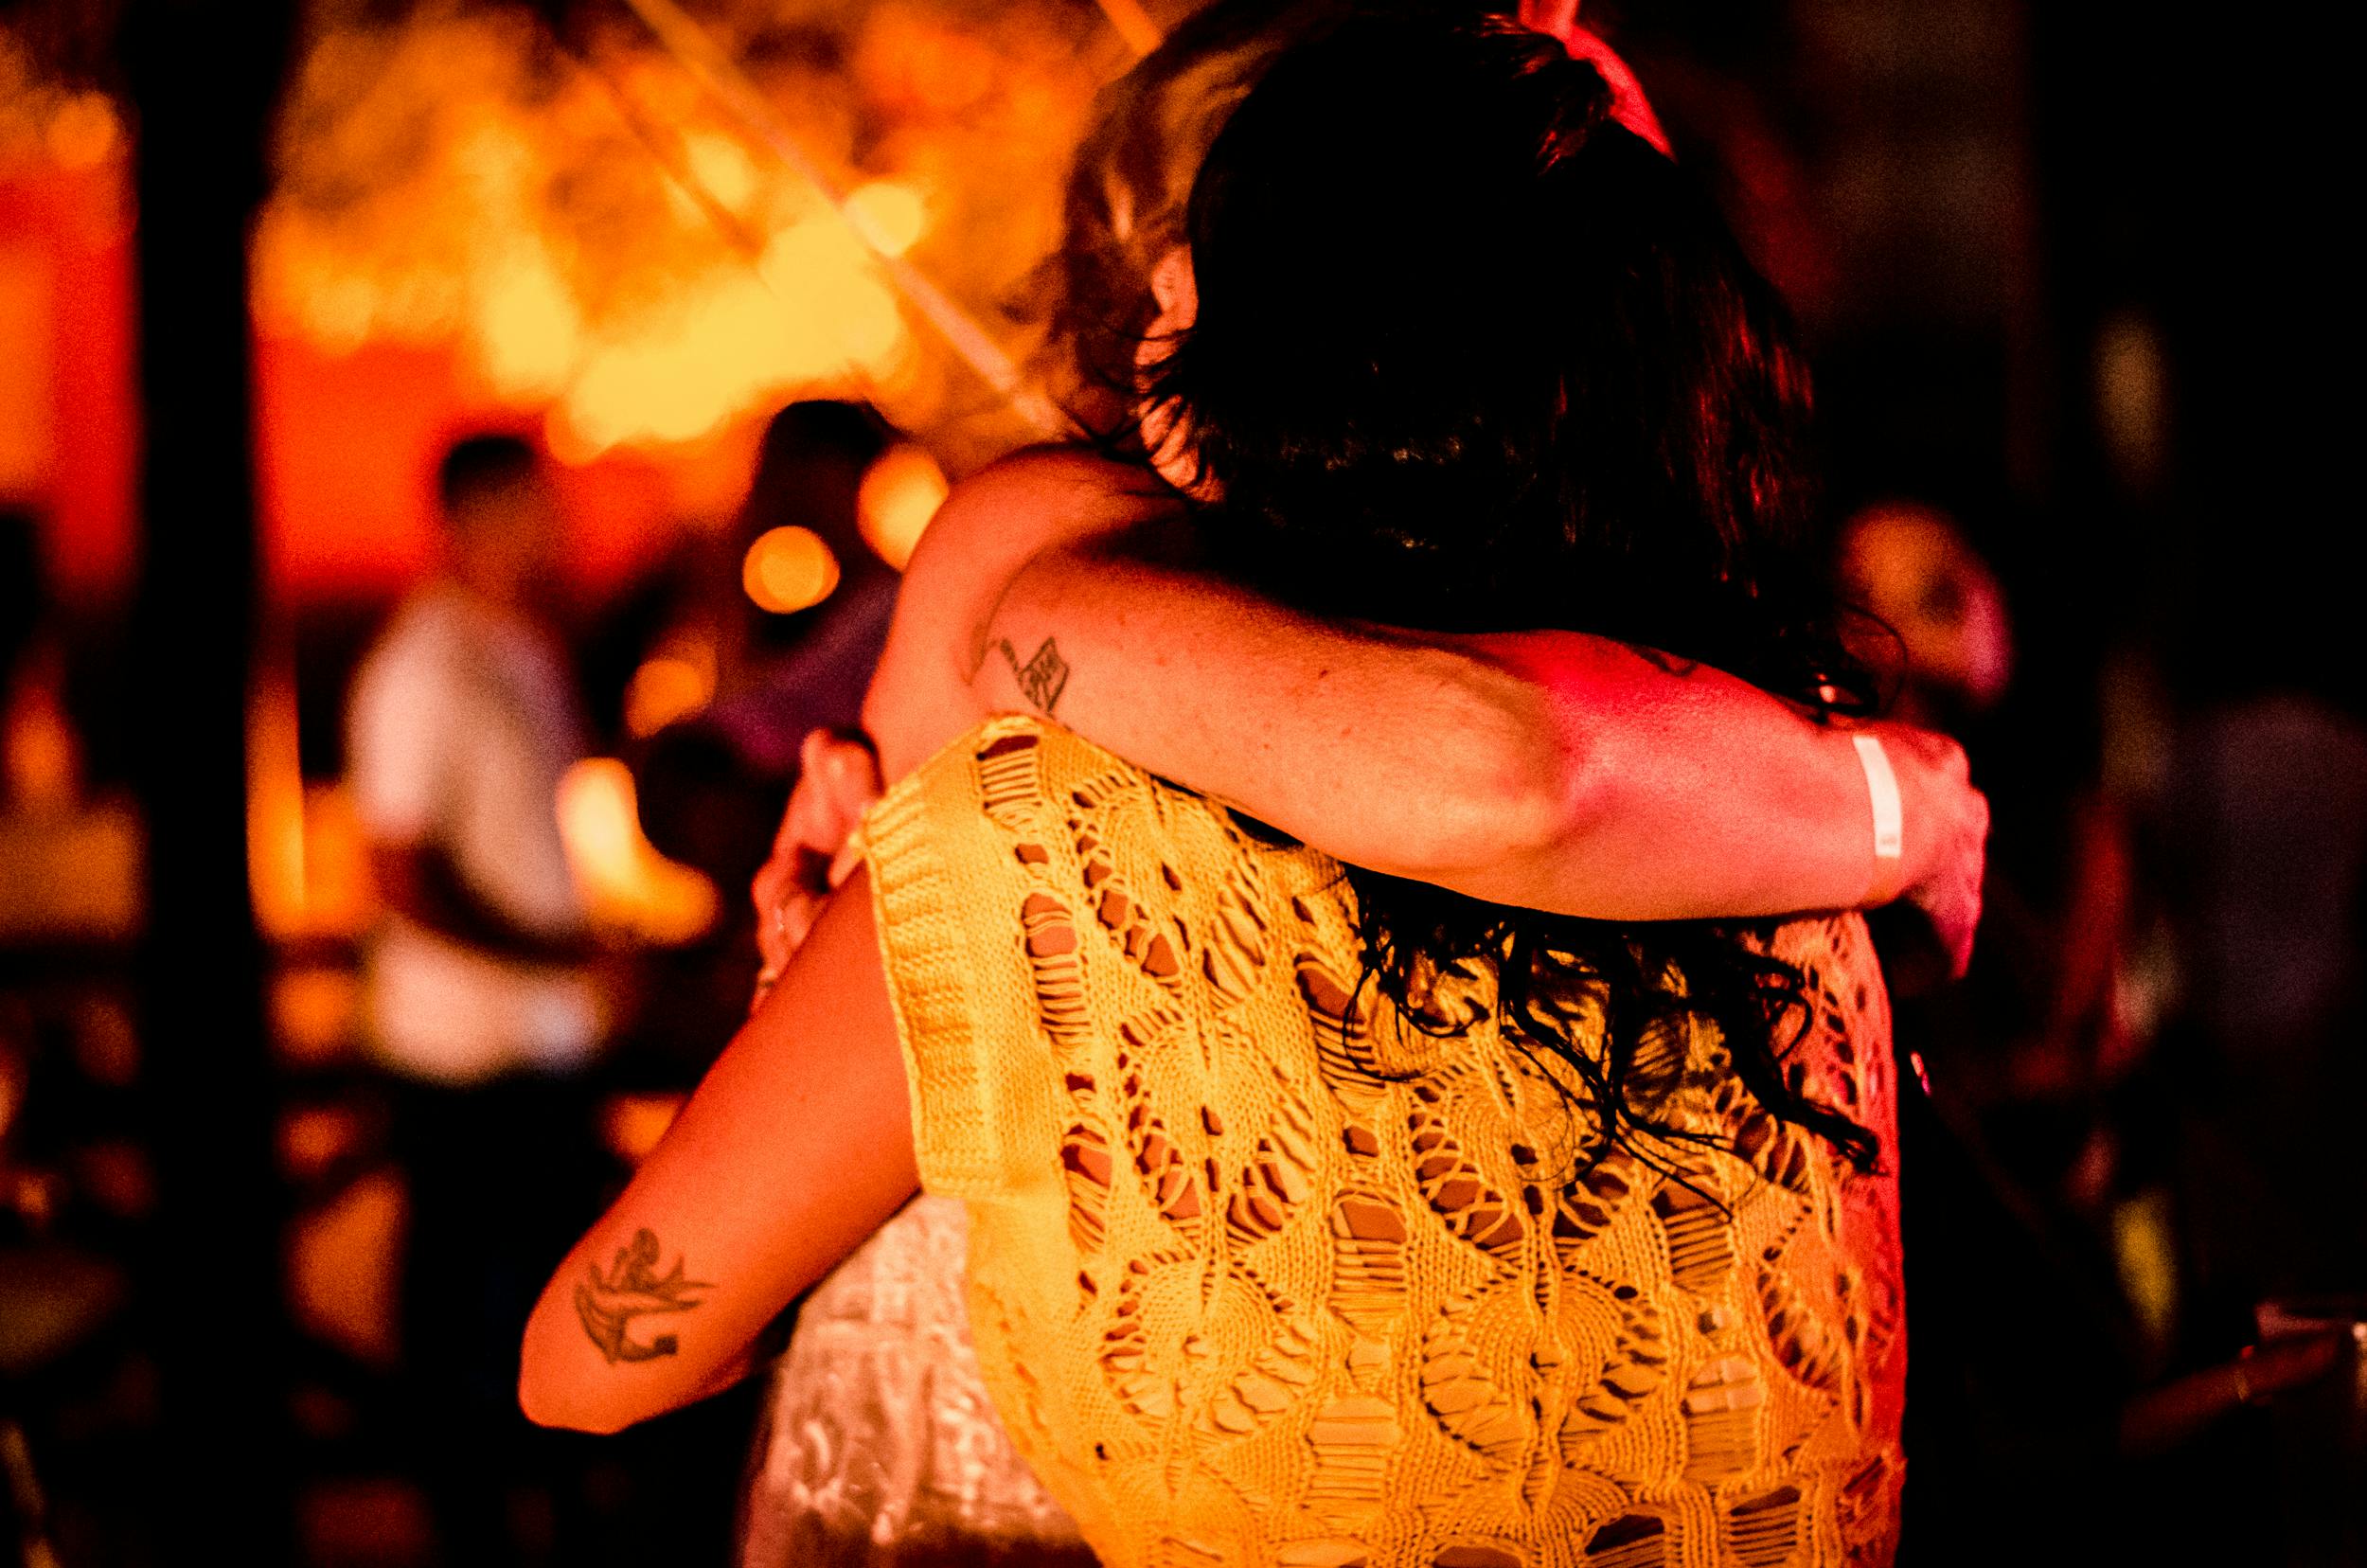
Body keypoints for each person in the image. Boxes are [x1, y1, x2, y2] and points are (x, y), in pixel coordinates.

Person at [525, 14, 1937, 1563]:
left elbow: (588, 1364)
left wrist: (832, 1019)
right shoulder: (1775, 855)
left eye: (1203, 273)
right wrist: (1903, 809)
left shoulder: (1030, 850)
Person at [347, 433, 607, 1562]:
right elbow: (400, 873)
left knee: (545, 1302)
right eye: (534, 508)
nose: (554, 530)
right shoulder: (424, 665)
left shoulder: (519, 649)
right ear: (475, 514)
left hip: (538, 1046)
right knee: (465, 1318)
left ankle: (540, 1515)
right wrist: (553, 959)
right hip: (460, 1055)